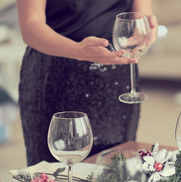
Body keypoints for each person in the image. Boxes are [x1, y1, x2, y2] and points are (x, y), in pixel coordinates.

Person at [16, 0, 158, 166]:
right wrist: (77, 50)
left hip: (115, 81)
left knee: (116, 172)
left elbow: (141, 15)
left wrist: (146, 29)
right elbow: (30, 26)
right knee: (55, 176)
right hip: (54, 77)